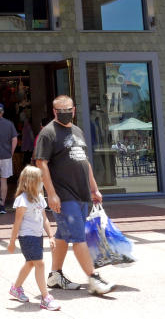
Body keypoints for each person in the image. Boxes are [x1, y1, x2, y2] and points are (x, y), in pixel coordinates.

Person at [34, 95, 114, 296]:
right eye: (60, 110)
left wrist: (94, 188)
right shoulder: (48, 133)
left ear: (74, 110)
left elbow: (84, 161)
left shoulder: (78, 131)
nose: (65, 113)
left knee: (63, 234)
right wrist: (51, 194)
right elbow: (41, 163)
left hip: (82, 193)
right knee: (79, 238)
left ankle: (55, 275)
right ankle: (93, 278)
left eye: (68, 109)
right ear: (54, 112)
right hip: (63, 195)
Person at [7, 165, 60, 311]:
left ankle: (16, 288)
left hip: (37, 236)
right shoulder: (22, 200)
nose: (42, 181)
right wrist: (12, 242)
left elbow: (45, 219)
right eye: (40, 179)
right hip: (27, 236)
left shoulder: (39, 198)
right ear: (31, 181)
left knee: (30, 263)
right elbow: (16, 223)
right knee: (40, 264)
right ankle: (45, 297)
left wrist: (50, 236)